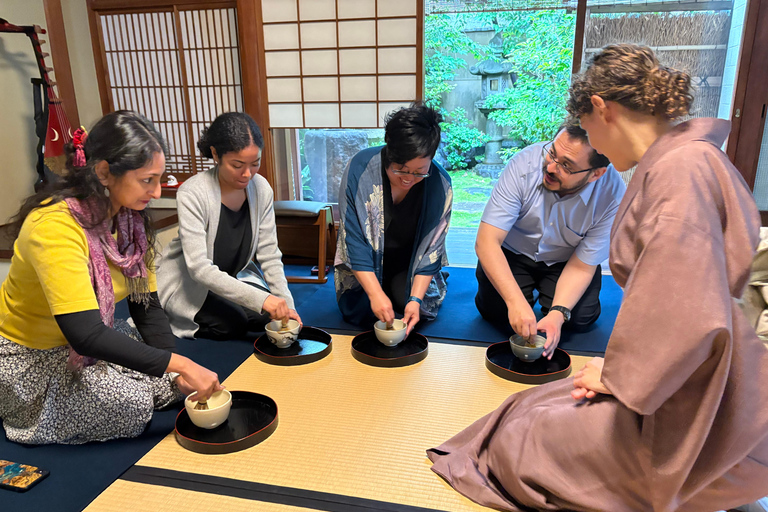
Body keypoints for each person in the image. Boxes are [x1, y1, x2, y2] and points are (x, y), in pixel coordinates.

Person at [427, 44, 768, 511]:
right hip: (675, 364)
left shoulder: (677, 175)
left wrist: (622, 375)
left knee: (523, 435)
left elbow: (690, 311)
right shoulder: (685, 159)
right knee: (529, 404)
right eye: (555, 156)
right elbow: (488, 242)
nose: (560, 163)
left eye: (587, 133)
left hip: (687, 389)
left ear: (602, 109)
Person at [0, 111, 221, 445]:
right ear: (103, 172)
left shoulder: (131, 221)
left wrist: (176, 370)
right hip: (31, 355)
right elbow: (86, 335)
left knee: (168, 379)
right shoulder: (54, 227)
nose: (157, 192)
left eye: (159, 179)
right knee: (133, 405)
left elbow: (146, 306)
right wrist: (181, 366)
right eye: (147, 180)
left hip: (86, 338)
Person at [475, 122, 625, 355]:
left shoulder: (612, 196)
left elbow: (583, 265)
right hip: (513, 252)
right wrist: (515, 302)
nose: (551, 167)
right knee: (497, 313)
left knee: (579, 319)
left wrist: (558, 313)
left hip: (567, 260)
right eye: (552, 153)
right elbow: (487, 241)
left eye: (566, 165)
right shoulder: (524, 164)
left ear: (596, 174)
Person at [158, 112, 299, 340]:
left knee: (269, 316)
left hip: (232, 278)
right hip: (191, 284)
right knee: (233, 324)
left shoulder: (261, 188)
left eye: (255, 164)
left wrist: (287, 305)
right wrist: (262, 299)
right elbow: (199, 269)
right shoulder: (193, 193)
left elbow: (270, 255)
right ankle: (172, 314)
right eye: (237, 165)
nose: (247, 174)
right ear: (215, 154)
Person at [335, 103, 452, 333]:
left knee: (411, 307)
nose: (409, 178)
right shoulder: (360, 169)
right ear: (388, 152)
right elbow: (353, 241)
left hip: (409, 264)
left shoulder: (440, 184)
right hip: (365, 263)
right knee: (361, 312)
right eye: (401, 169)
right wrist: (375, 294)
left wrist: (415, 300)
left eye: (419, 171)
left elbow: (432, 249)